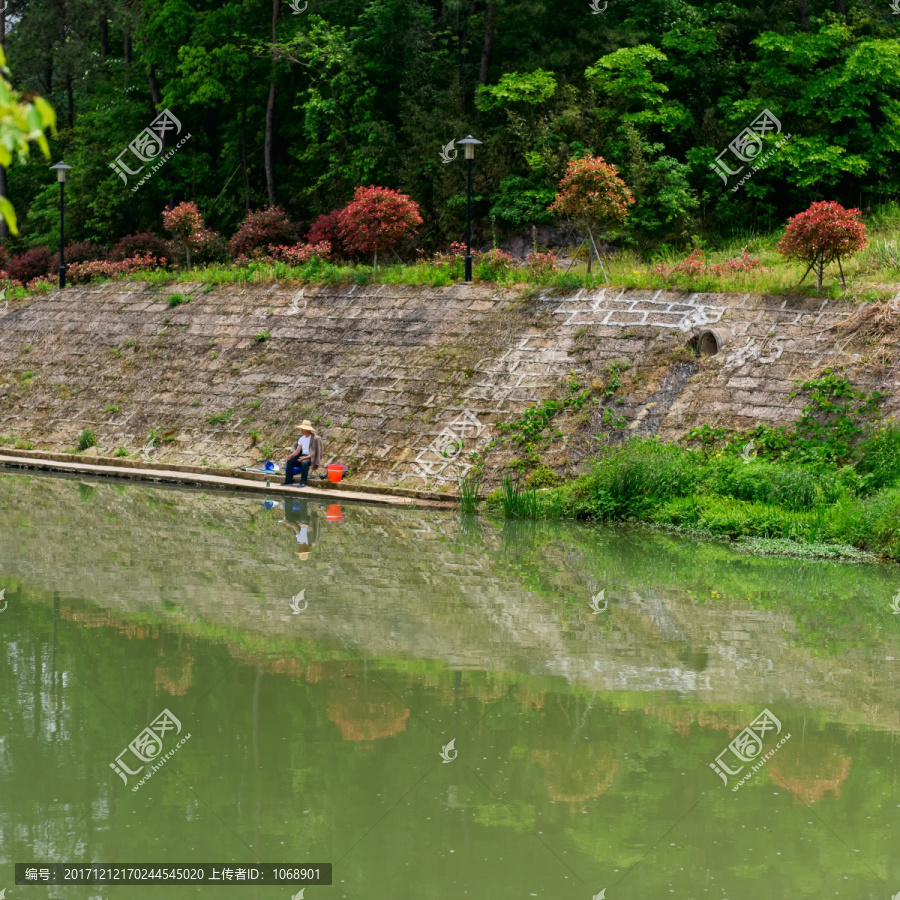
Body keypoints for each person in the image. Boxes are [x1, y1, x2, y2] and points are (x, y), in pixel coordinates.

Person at [282, 419, 323, 488]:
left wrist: (306, 457)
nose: (301, 430)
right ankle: (289, 480)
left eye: (302, 429)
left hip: (311, 457)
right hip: (302, 456)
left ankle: (303, 482)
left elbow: (316, 452)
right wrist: (290, 456)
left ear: (307, 430)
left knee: (304, 463)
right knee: (290, 461)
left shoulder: (316, 438)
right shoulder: (301, 438)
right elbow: (297, 450)